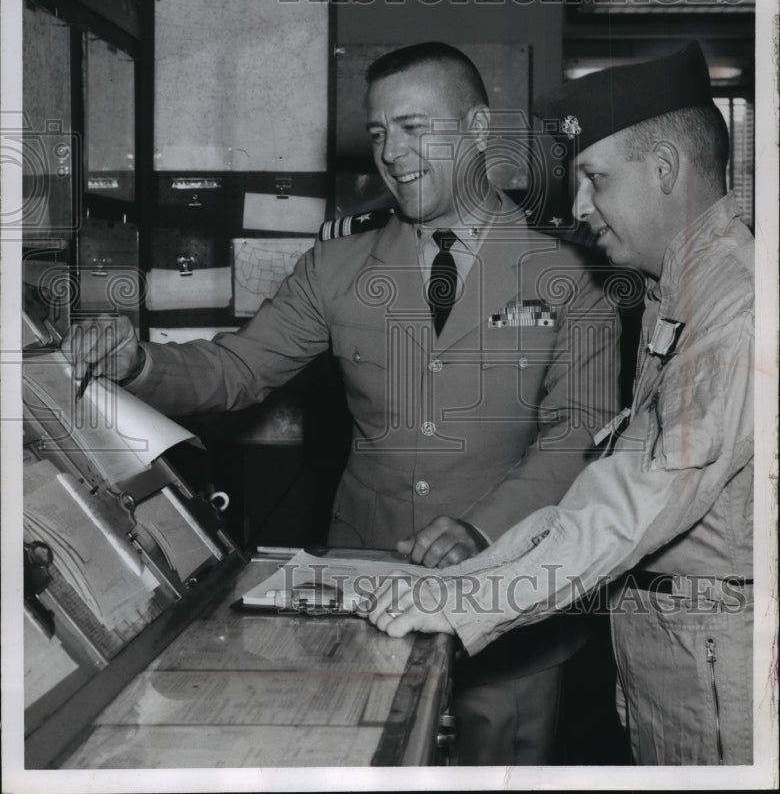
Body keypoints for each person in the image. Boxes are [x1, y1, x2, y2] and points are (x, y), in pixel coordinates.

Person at [65, 42, 619, 765]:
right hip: (366, 590)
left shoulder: (569, 270)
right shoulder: (338, 265)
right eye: (381, 133)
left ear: (480, 128)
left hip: (509, 596)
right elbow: (236, 368)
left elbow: (579, 430)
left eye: (417, 128)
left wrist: (485, 531)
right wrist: (137, 360)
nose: (393, 153)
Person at [364, 41, 754, 766]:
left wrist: (464, 604)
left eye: (595, 179)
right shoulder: (685, 289)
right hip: (678, 655)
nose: (578, 208)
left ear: (665, 168)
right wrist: (473, 580)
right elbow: (608, 481)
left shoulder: (739, 309)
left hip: (716, 670)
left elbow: (642, 496)